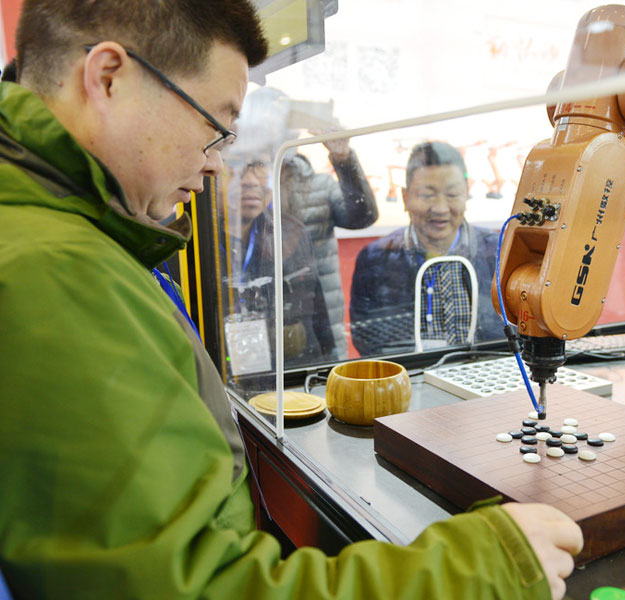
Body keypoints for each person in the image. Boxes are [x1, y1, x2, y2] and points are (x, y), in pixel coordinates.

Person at [0, 2, 581, 600]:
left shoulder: (74, 241)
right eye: (214, 124)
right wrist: (486, 564)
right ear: (108, 79)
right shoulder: (57, 271)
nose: (214, 162)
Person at [236, 86, 378, 360]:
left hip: (314, 326)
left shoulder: (317, 184)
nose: (271, 136)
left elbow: (363, 217)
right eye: (262, 126)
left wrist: (343, 158)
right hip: (256, 328)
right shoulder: (239, 186)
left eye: (279, 126)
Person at [350, 141, 503, 355]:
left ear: (466, 194)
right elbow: (369, 342)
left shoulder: (498, 252)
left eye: (452, 194)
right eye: (427, 195)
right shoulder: (376, 259)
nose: (440, 208)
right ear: (405, 197)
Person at [222, 158, 336, 375]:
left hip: (292, 376)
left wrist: (327, 372)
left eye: (260, 166)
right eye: (235, 167)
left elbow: (317, 317)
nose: (250, 181)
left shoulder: (290, 233)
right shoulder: (190, 244)